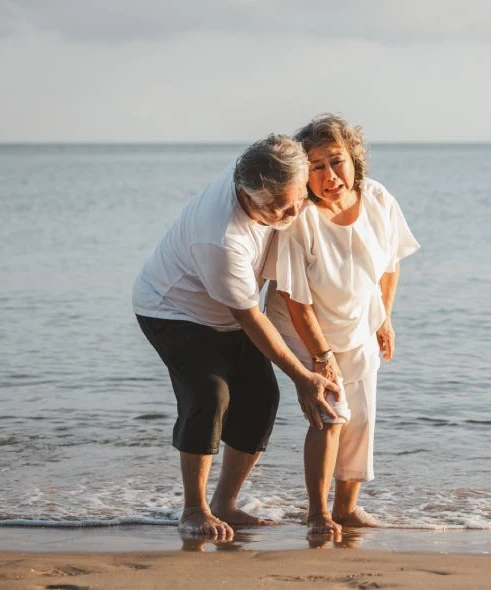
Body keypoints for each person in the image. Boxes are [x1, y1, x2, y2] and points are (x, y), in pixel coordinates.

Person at [133, 135, 340, 540]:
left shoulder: (272, 168)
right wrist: (303, 376)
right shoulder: (221, 239)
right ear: (246, 194)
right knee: (210, 396)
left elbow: (292, 147)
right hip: (173, 309)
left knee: (262, 399)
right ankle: (194, 509)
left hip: (228, 314)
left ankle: (226, 503)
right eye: (277, 208)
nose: (291, 212)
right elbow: (248, 318)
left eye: (296, 200)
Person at [263, 114, 419, 535]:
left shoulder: (379, 199)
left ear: (354, 159)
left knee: (361, 418)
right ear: (304, 174)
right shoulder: (300, 220)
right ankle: (318, 512)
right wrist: (322, 356)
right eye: (316, 167)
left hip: (358, 323)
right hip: (301, 328)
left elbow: (389, 265)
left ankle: (347, 508)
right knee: (331, 413)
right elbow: (296, 300)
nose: (330, 176)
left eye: (337, 161)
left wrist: (384, 318)